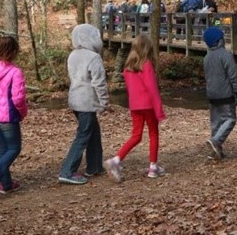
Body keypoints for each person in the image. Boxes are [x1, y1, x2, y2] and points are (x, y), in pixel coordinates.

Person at [104, 35, 166, 182]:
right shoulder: (147, 64)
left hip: (135, 106)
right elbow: (152, 89)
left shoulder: (128, 67)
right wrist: (159, 110)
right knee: (153, 133)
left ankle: (117, 159)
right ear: (147, 49)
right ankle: (153, 167)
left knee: (136, 135)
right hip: (148, 105)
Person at [59, 24, 109, 185]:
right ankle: (67, 171)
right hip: (87, 101)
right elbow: (99, 82)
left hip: (75, 99)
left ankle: (94, 166)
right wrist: (104, 102)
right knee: (83, 135)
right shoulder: (93, 57)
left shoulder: (73, 55)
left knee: (93, 132)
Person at [0, 36, 27, 195]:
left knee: (4, 148)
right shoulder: (15, 72)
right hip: (7, 116)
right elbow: (18, 98)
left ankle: (6, 184)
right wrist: (23, 112)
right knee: (14, 148)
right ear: (14, 51)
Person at [202, 27, 237, 160]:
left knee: (216, 122)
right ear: (219, 40)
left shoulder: (207, 57)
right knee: (230, 119)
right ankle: (216, 141)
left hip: (211, 94)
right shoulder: (225, 55)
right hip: (225, 94)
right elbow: (233, 76)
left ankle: (216, 151)